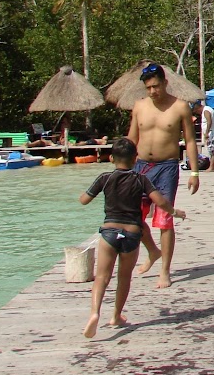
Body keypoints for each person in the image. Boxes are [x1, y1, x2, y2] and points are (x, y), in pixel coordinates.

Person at [79, 137, 187, 337]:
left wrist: (90, 194)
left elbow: (84, 200)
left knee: (102, 277)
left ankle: (94, 313)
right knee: (124, 277)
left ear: (111, 158)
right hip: (132, 233)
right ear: (136, 158)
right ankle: (117, 315)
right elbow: (160, 201)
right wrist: (174, 212)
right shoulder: (141, 179)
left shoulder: (105, 178)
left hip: (109, 233)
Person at [126, 62, 199, 289]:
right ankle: (153, 251)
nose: (152, 92)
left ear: (165, 83)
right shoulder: (139, 107)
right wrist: (122, 164)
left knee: (164, 220)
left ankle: (165, 270)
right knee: (134, 219)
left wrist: (194, 171)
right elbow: (132, 137)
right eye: (148, 88)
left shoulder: (180, 107)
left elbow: (189, 141)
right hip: (141, 167)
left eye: (156, 87)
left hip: (167, 167)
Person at [192, 100, 214, 172]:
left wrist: (207, 132)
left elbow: (209, 121)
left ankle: (211, 167)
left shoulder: (206, 111)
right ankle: (212, 165)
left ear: (197, 108)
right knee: (211, 150)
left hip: (212, 132)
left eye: (196, 112)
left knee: (212, 150)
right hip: (213, 131)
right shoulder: (208, 109)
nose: (198, 114)